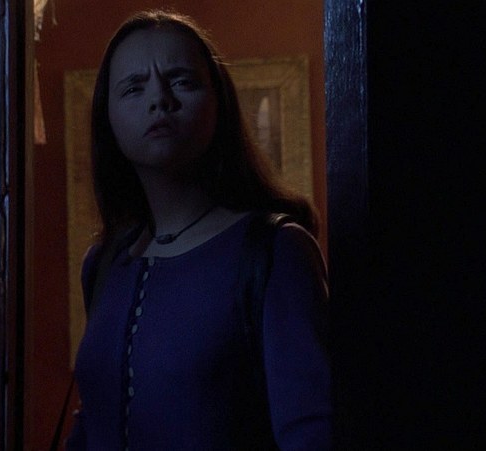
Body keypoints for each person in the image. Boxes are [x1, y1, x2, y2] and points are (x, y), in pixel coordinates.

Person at [67, 9, 331, 450]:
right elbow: (93, 421)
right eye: (134, 88)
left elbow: (312, 432)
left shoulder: (274, 250)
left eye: (182, 81)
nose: (159, 100)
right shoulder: (105, 261)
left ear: (218, 103)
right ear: (106, 118)